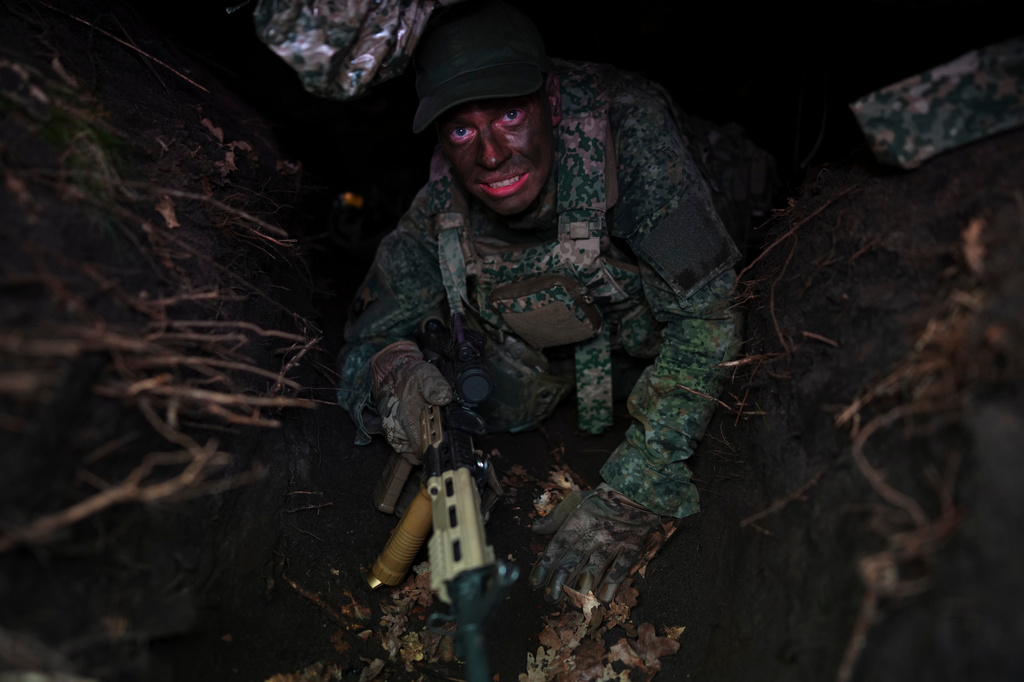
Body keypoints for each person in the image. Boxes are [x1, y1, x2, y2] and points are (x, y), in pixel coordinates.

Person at [334, 0, 769, 604]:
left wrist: (634, 493)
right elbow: (366, 342)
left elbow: (710, 314)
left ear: (551, 102)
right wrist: (397, 373)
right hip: (574, 363)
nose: (490, 155)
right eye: (462, 129)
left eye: (510, 115)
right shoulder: (439, 202)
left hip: (705, 241)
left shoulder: (629, 132)